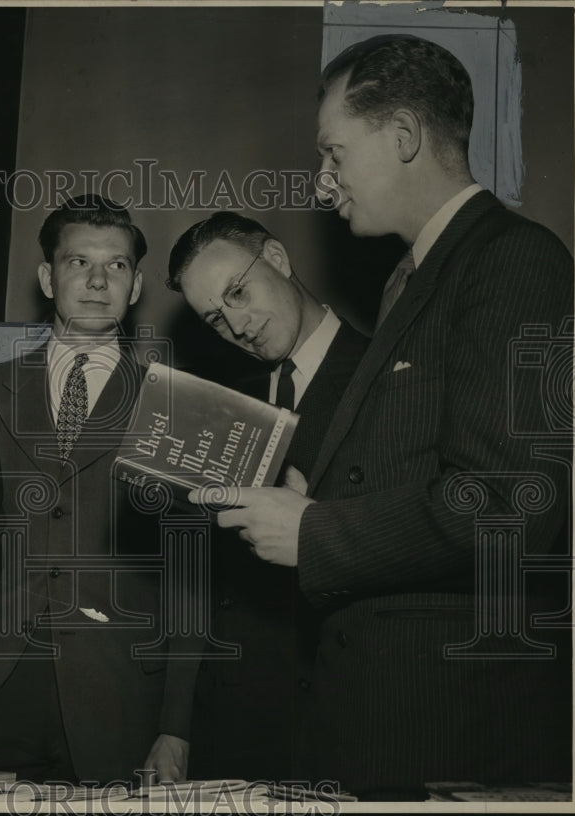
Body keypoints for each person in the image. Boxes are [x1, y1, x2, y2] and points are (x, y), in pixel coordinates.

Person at [189, 35, 573, 797]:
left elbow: (511, 502)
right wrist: (315, 500)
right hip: (375, 713)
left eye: (335, 153)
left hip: (442, 726)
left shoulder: (512, 259)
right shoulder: (413, 278)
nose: (324, 181)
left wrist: (314, 531)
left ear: (402, 137)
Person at [0, 195, 199, 784]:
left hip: (120, 699)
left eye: (116, 266)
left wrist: (177, 726)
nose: (97, 281)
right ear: (47, 277)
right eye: (78, 263)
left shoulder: (177, 405)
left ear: (138, 284)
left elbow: (195, 577)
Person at [166, 212, 368, 780]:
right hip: (237, 727)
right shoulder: (231, 403)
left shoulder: (390, 373)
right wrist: (179, 726)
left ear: (277, 259)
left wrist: (316, 525)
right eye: (215, 318)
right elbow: (212, 585)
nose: (237, 324)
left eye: (237, 291)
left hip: (338, 724)